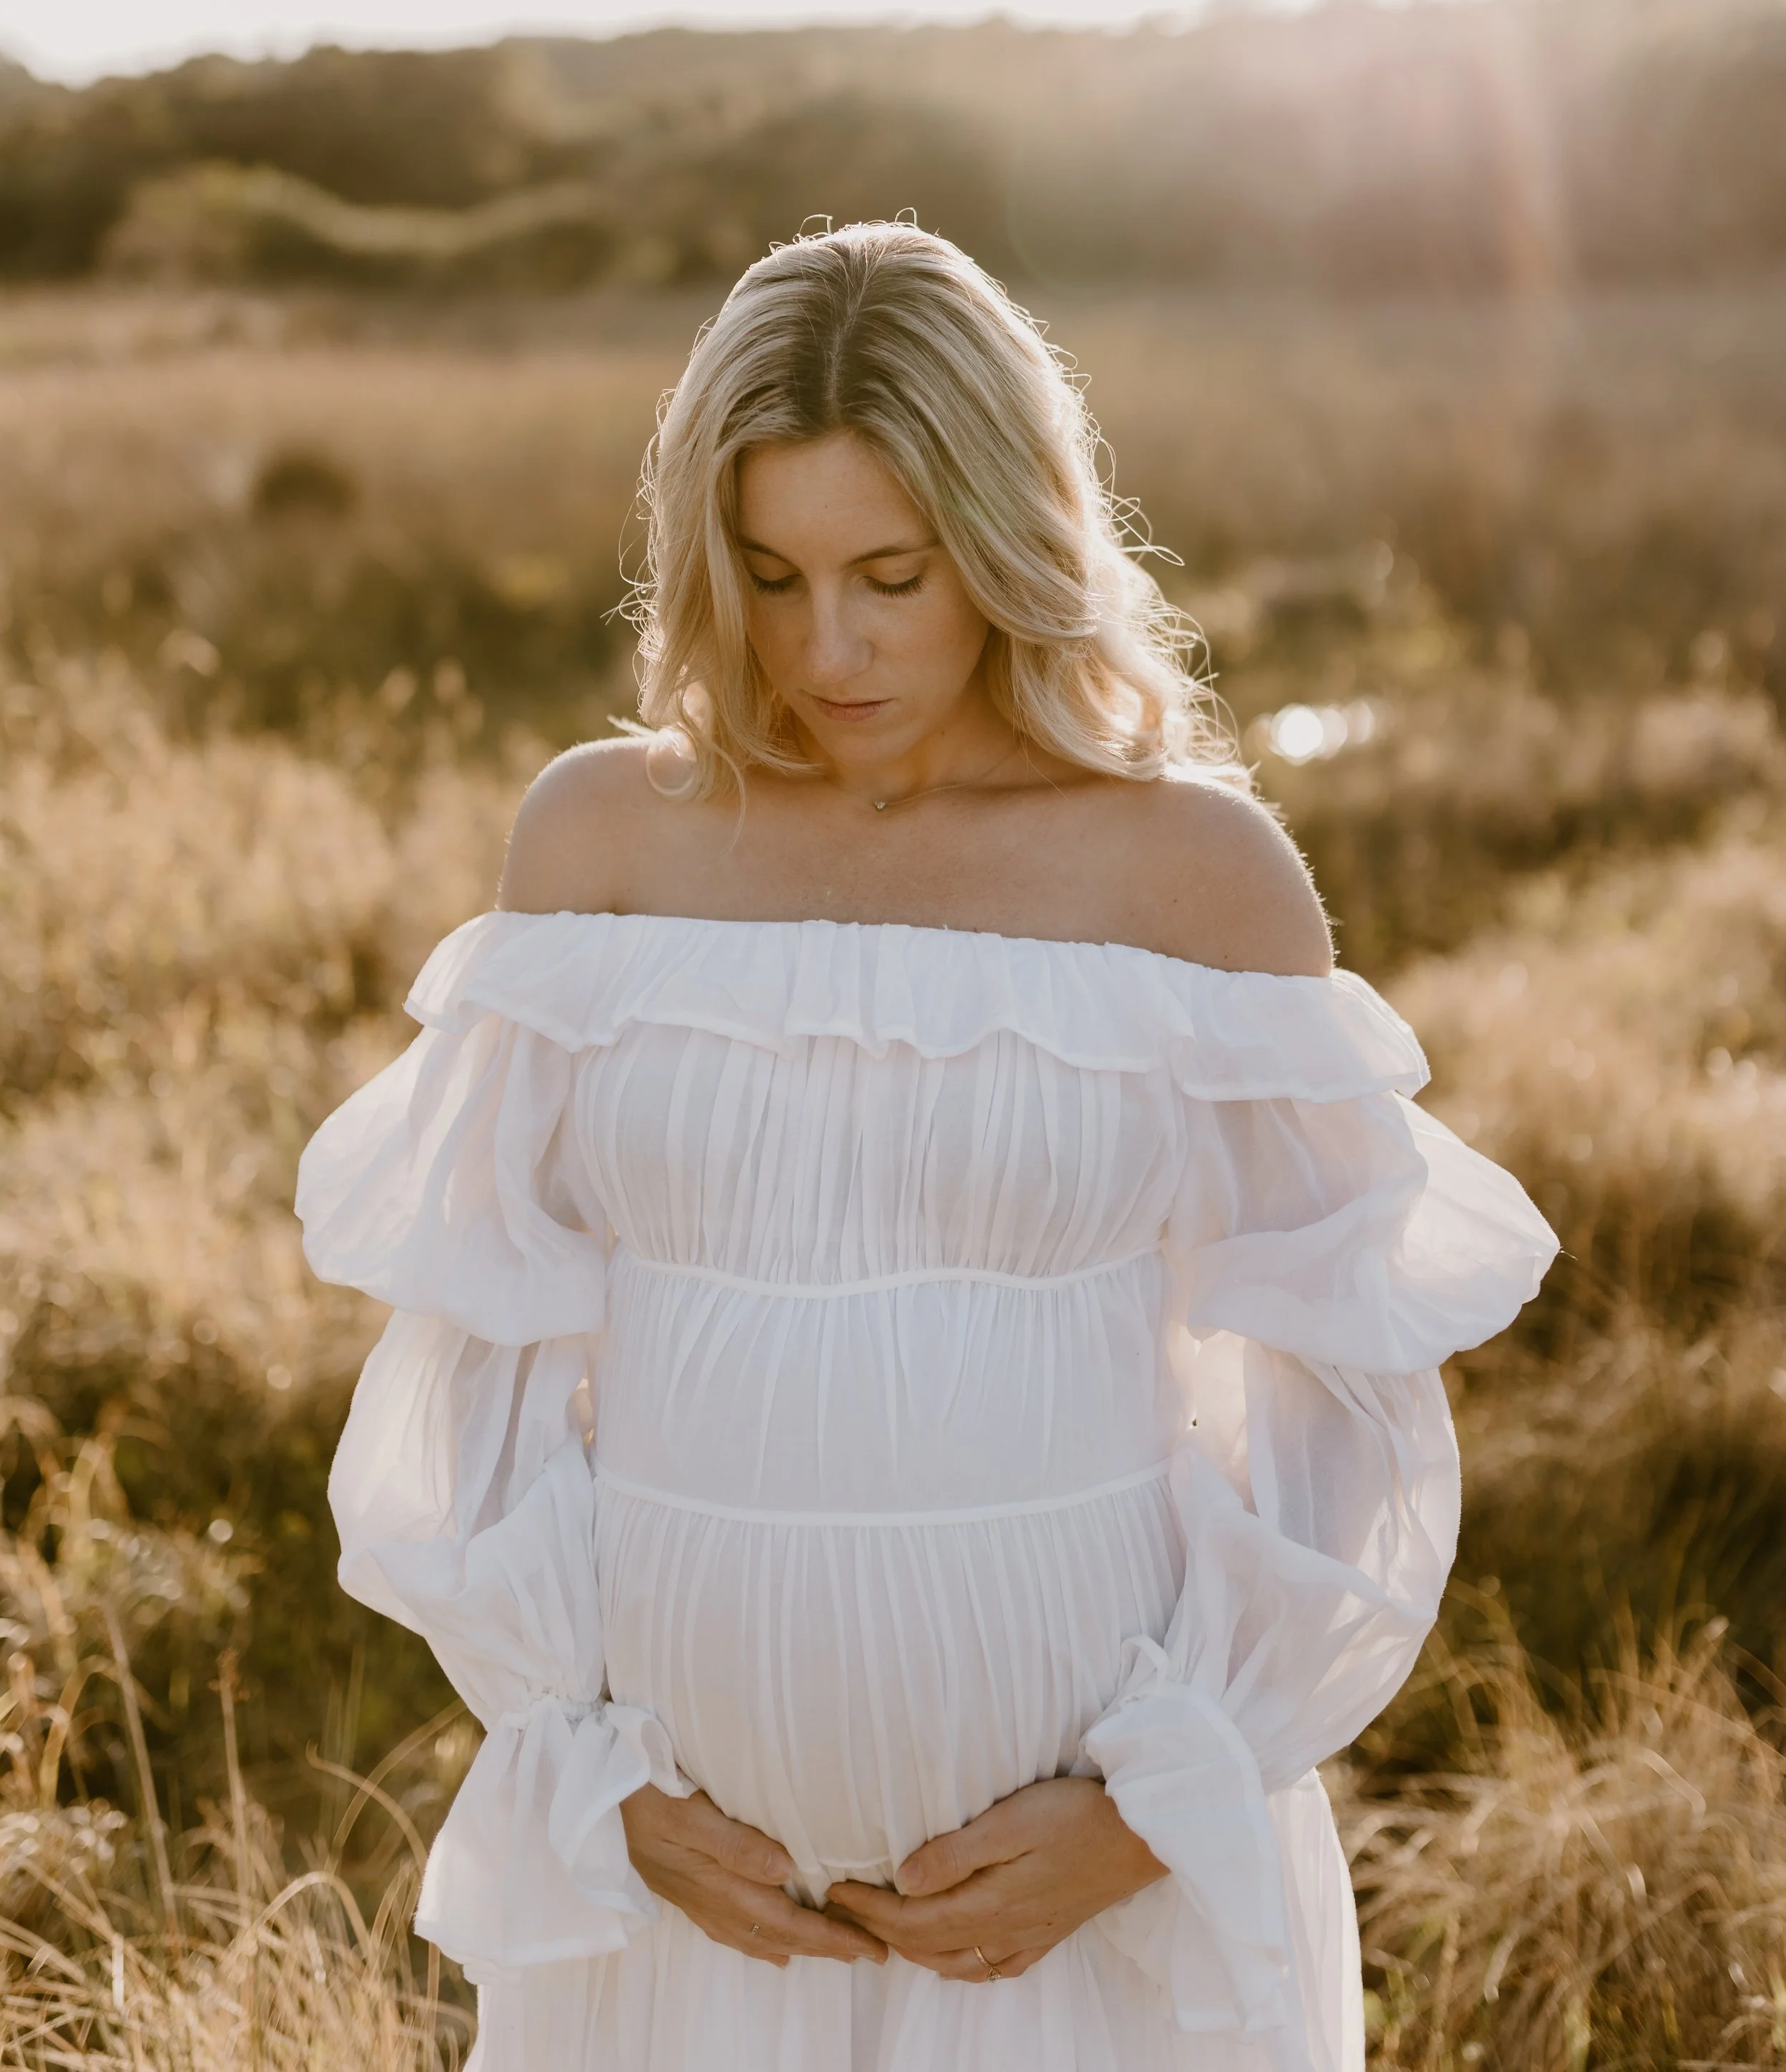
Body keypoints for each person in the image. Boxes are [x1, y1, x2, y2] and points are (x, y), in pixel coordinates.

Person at [297, 223, 1556, 2072]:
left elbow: (1343, 1425)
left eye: (893, 572)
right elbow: (476, 1378)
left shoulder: (1187, 878)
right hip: (687, 1901)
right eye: (772, 572)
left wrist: (1141, 1817)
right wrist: (594, 1778)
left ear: (1006, 532)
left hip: (1068, 1913)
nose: (830, 646)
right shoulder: (605, 847)